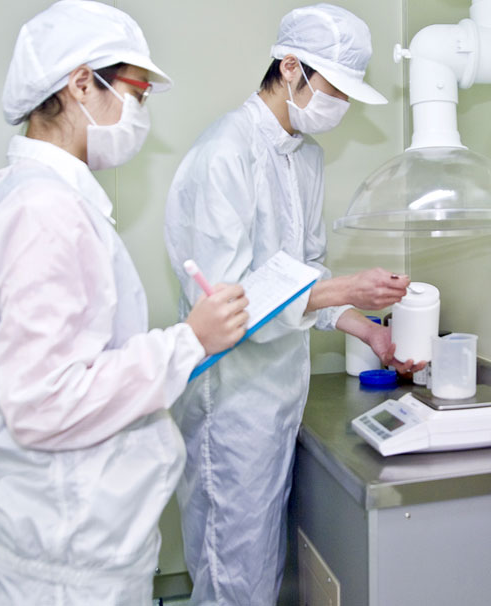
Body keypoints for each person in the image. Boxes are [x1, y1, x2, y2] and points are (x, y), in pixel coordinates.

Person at [0, 2, 249, 603]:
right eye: (137, 93)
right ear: (81, 84)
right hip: (66, 562)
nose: (141, 114)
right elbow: (43, 401)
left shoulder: (48, 198)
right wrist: (189, 341)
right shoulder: (43, 211)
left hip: (74, 544)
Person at [164, 4, 424, 604]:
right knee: (231, 578)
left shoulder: (306, 158)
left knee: (257, 569)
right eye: (335, 87)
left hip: (280, 397)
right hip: (230, 403)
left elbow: (308, 276)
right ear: (289, 68)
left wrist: (370, 331)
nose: (341, 104)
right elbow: (229, 305)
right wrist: (348, 290)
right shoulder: (225, 152)